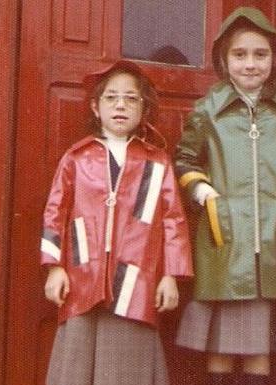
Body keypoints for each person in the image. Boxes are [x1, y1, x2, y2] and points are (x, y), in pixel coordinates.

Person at [175, 7, 276, 385]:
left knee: (258, 346)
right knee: (220, 345)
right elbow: (185, 160)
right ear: (224, 59)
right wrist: (203, 192)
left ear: (275, 58)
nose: (250, 64)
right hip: (227, 238)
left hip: (273, 234)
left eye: (260, 54)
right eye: (239, 55)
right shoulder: (208, 110)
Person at [40, 59, 193, 385]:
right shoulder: (76, 158)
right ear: (96, 107)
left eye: (131, 98)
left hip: (135, 279)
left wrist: (171, 276)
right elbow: (55, 212)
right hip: (83, 275)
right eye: (111, 98)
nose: (120, 105)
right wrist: (54, 267)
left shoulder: (156, 162)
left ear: (143, 109)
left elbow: (173, 219)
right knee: (77, 361)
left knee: (128, 362)